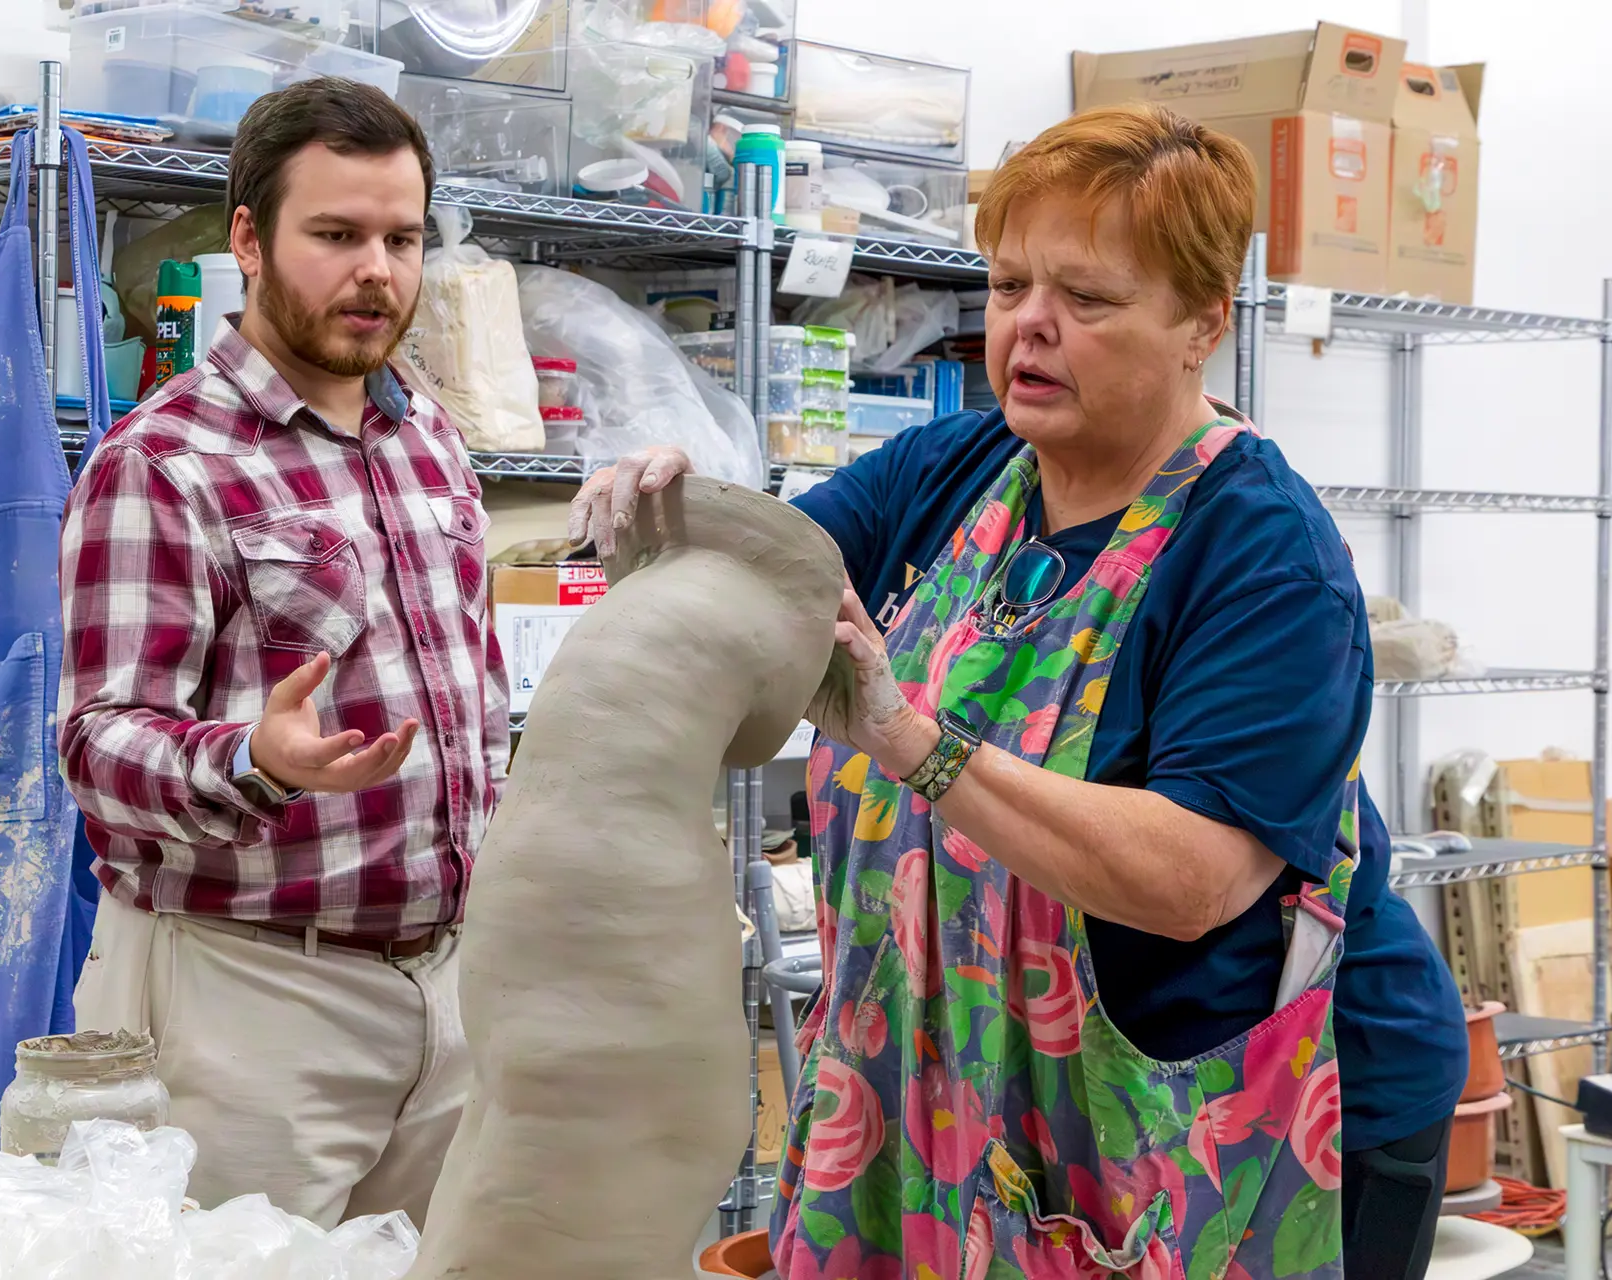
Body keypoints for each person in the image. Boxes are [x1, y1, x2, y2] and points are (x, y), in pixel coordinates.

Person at [571, 104, 1465, 1280]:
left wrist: (914, 740)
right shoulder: (953, 472)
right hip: (963, 1082)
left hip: (1226, 1109)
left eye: (1085, 299)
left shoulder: (1259, 553)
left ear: (1201, 323)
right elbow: (759, 598)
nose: (1030, 326)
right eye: (1007, 287)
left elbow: (1193, 879)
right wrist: (673, 516)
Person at [59, 79, 506, 1229]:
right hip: (248, 994)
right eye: (338, 234)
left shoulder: (428, 437)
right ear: (249, 239)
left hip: (448, 989)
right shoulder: (162, 460)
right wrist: (255, 755)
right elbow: (97, 742)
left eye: (402, 238)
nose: (378, 270)